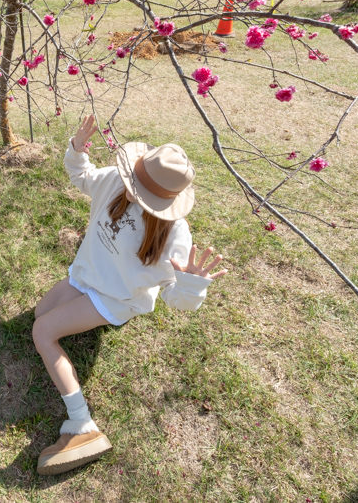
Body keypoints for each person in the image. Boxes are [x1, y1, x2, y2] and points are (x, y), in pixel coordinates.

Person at [32, 115, 228, 476]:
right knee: (40, 313)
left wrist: (191, 284)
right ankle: (76, 322)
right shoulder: (114, 181)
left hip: (117, 298)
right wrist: (76, 149)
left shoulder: (175, 235)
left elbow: (176, 300)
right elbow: (82, 177)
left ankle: (82, 425)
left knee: (42, 333)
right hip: (86, 276)